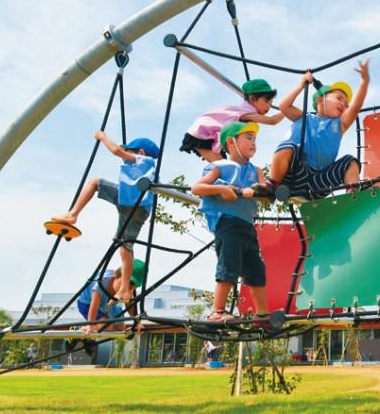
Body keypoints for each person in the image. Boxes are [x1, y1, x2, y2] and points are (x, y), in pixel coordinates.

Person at [51, 131, 158, 304]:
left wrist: (102, 137)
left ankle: (72, 215)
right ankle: (124, 288)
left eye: (128, 152)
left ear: (140, 152)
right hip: (130, 202)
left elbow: (116, 150)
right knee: (125, 246)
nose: (125, 156)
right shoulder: (150, 168)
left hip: (133, 203)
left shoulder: (144, 161)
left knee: (94, 182)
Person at [192, 121, 270, 322]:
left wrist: (260, 190)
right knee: (229, 264)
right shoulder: (219, 167)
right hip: (227, 223)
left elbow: (266, 195)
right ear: (231, 142)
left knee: (256, 269)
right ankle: (217, 311)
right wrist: (222, 189)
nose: (253, 143)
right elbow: (197, 188)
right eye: (248, 138)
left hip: (247, 226)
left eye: (255, 139)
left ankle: (262, 315)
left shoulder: (256, 170)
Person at [268, 61, 370, 200]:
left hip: (319, 181)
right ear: (320, 101)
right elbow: (284, 106)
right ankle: (272, 186)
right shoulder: (303, 117)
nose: (343, 104)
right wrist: (301, 84)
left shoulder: (339, 125)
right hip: (295, 173)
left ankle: (353, 195)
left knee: (350, 161)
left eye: (345, 104)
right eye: (339, 98)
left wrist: (364, 81)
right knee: (288, 146)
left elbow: (356, 107)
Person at [180, 78, 285, 163]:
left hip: (212, 135)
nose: (269, 106)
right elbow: (272, 121)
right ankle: (207, 187)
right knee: (223, 168)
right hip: (201, 135)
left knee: (228, 166)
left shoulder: (246, 113)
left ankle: (224, 186)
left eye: (271, 103)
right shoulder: (246, 113)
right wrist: (286, 109)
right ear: (252, 99)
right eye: (267, 101)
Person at [76, 260, 144, 335]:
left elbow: (130, 307)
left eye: (131, 288)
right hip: (87, 304)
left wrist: (137, 322)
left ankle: (99, 325)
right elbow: (94, 305)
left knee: (120, 327)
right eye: (123, 284)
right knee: (107, 326)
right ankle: (81, 328)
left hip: (107, 305)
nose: (125, 290)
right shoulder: (101, 284)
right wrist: (90, 324)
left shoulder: (126, 291)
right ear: (116, 275)